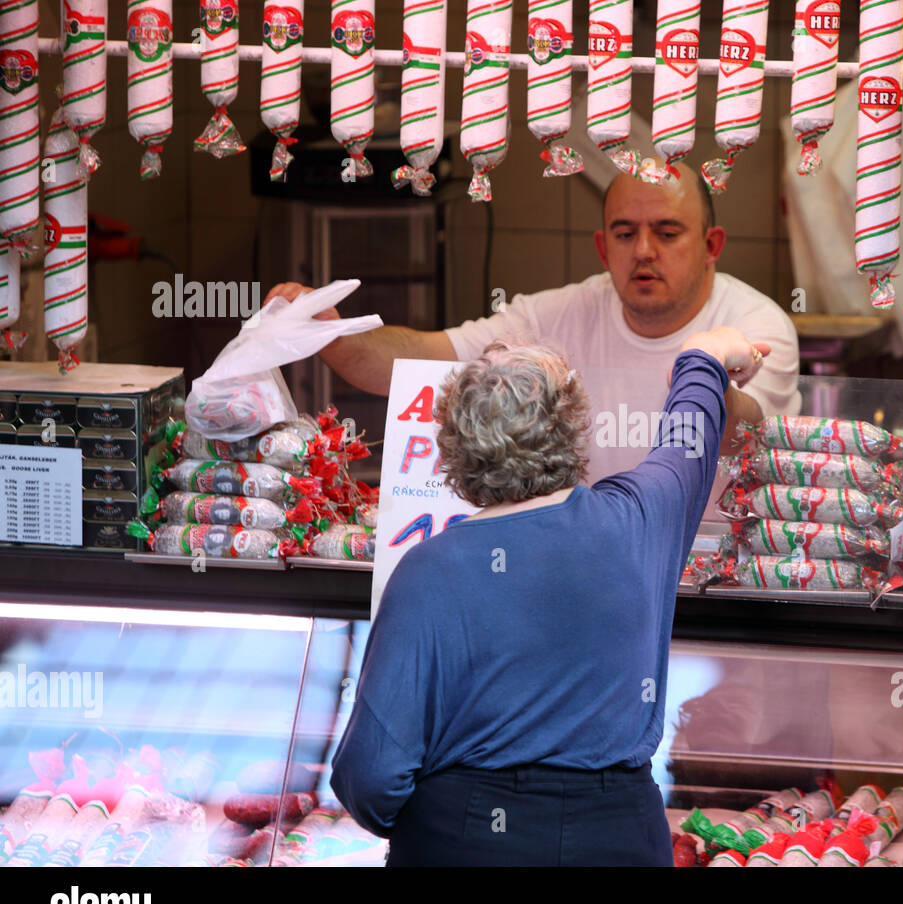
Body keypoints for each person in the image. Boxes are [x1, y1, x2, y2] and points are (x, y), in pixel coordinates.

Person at [329, 326, 767, 866]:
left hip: (463, 838)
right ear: (571, 428)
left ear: (454, 448)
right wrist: (706, 356)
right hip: (617, 837)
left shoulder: (426, 570)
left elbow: (371, 774)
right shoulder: (638, 520)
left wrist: (439, 821)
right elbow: (688, 436)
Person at [265, 162, 799, 471]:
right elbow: (423, 361)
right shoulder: (562, 314)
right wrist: (333, 332)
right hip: (593, 567)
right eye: (624, 233)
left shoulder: (756, 324)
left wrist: (707, 365)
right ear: (601, 247)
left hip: (718, 578)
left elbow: (741, 442)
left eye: (666, 232)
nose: (642, 250)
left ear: (711, 245)